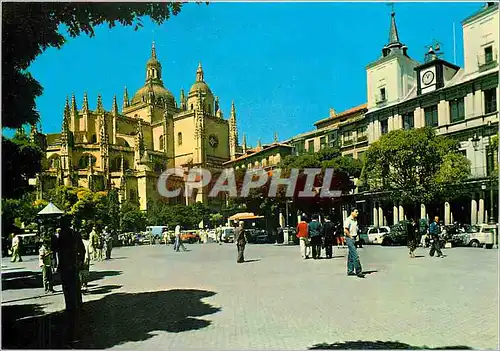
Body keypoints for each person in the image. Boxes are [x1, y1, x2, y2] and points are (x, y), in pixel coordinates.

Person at [56, 217, 85, 345]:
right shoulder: (75, 234)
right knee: (75, 285)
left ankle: (70, 307)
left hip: (65, 266)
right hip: (72, 265)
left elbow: (55, 251)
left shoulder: (59, 236)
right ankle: (77, 305)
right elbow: (82, 250)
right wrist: (80, 261)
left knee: (67, 288)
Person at [344, 209, 364, 278]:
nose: (357, 213)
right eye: (356, 212)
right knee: (355, 254)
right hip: (349, 238)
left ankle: (350, 270)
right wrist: (350, 236)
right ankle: (359, 271)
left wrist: (357, 236)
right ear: (352, 212)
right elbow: (345, 230)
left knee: (351, 255)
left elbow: (356, 229)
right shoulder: (348, 220)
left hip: (355, 237)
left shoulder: (355, 220)